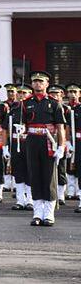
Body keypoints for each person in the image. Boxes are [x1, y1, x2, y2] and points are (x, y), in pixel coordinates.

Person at [24, 71, 66, 226]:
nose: (37, 84)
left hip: (48, 141)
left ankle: (48, 214)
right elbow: (23, 124)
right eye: (35, 81)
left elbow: (60, 127)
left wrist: (61, 146)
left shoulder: (54, 103)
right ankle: (37, 213)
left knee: (48, 178)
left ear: (47, 84)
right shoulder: (26, 102)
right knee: (34, 176)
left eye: (41, 81)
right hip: (32, 142)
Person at [9, 85, 34, 211]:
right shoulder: (13, 109)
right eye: (19, 92)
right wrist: (5, 147)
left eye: (24, 93)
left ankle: (30, 199)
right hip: (16, 142)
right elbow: (5, 128)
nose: (21, 95)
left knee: (30, 171)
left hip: (29, 142)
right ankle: (20, 200)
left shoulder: (33, 107)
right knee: (18, 172)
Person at [48, 84, 69, 205]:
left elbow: (66, 128)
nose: (54, 96)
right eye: (52, 94)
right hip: (49, 140)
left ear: (62, 95)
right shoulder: (49, 106)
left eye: (57, 94)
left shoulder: (66, 109)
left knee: (61, 168)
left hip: (61, 140)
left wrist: (66, 143)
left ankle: (60, 195)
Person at [66, 83, 81, 212]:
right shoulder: (69, 110)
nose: (73, 94)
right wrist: (67, 142)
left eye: (75, 92)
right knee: (72, 166)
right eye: (70, 92)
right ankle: (71, 190)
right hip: (75, 140)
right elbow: (67, 128)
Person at [3, 83, 19, 192]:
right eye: (9, 91)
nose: (11, 93)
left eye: (12, 91)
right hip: (7, 132)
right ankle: (7, 182)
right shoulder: (3, 105)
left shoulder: (18, 105)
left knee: (17, 159)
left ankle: (15, 183)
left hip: (16, 134)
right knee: (6, 158)